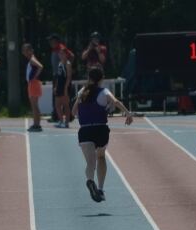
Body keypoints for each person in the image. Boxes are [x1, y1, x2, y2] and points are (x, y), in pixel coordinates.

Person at [71, 66, 133, 203]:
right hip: (100, 129)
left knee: (90, 163)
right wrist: (127, 113)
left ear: (89, 78)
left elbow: (73, 111)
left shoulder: (82, 92)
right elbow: (115, 102)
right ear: (101, 79)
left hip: (85, 130)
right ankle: (100, 188)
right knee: (101, 157)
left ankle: (89, 180)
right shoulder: (104, 91)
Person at [47, 34, 75, 122]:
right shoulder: (55, 49)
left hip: (61, 76)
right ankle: (59, 116)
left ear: (55, 41)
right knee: (57, 98)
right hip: (57, 75)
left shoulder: (61, 48)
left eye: (51, 40)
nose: (50, 42)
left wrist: (67, 67)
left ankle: (62, 117)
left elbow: (72, 56)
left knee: (63, 99)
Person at [22, 43, 44, 132]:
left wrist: (35, 77)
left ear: (31, 50)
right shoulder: (30, 59)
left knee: (34, 106)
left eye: (27, 50)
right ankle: (36, 123)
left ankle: (37, 124)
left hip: (33, 83)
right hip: (32, 84)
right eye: (24, 50)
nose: (26, 52)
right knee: (34, 105)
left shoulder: (32, 59)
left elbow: (40, 66)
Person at [54, 50, 72, 128]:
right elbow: (58, 77)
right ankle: (61, 120)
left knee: (66, 105)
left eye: (62, 53)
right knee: (57, 104)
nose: (60, 55)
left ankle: (66, 122)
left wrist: (65, 88)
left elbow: (69, 77)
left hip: (65, 86)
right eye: (59, 53)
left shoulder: (67, 64)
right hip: (59, 86)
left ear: (66, 55)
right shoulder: (60, 63)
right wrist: (56, 86)